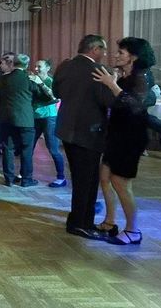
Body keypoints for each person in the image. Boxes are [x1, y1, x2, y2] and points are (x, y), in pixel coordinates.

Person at [93, 37, 156, 245]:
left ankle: (133, 231)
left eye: (121, 52)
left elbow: (133, 105)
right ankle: (110, 222)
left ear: (134, 57)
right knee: (104, 176)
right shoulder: (127, 76)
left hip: (130, 137)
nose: (116, 55)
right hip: (117, 134)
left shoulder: (142, 76)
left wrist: (112, 84)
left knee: (121, 182)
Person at [53, 35, 116, 240]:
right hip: (88, 132)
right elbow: (108, 101)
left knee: (80, 178)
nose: (104, 54)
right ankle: (80, 224)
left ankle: (79, 220)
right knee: (87, 180)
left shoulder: (65, 66)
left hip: (66, 130)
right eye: (103, 50)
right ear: (94, 49)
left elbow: (57, 92)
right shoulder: (98, 71)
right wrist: (113, 84)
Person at [0, 54, 53, 187]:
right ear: (26, 65)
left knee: (8, 148)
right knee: (26, 149)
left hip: (6, 118)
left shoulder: (3, 79)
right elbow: (45, 97)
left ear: (13, 64)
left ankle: (9, 179)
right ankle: (26, 179)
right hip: (26, 119)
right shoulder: (29, 79)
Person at [30, 59, 67, 187]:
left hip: (49, 117)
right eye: (35, 66)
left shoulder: (51, 82)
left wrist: (40, 86)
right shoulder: (33, 80)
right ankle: (25, 173)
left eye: (39, 66)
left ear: (47, 68)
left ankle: (61, 177)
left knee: (53, 148)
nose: (36, 69)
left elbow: (55, 98)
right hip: (35, 117)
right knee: (29, 146)